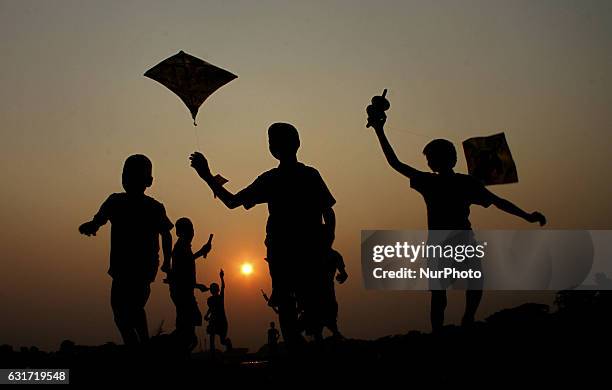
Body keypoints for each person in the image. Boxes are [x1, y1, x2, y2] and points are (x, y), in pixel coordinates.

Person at [368, 99, 547, 332]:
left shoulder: (437, 182)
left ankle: (446, 328)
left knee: (446, 291)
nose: (432, 161)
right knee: (463, 286)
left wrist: (380, 131)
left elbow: (396, 163)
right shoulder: (459, 182)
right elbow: (497, 202)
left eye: (432, 157)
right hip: (453, 240)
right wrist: (527, 216)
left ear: (435, 161)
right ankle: (463, 320)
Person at [189, 122, 336, 346]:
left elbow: (232, 202)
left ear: (273, 148)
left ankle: (300, 348)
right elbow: (329, 213)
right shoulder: (309, 175)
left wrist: (207, 176)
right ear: (297, 144)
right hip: (305, 251)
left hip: (286, 254)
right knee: (309, 304)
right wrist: (326, 242)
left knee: (290, 306)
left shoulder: (272, 179)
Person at [79, 154, 173, 345]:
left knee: (133, 308)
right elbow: (99, 220)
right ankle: (137, 345)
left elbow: (166, 234)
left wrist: (167, 262)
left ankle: (140, 345)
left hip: (142, 267)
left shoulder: (154, 207)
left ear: (149, 181)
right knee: (121, 312)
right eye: (126, 175)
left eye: (133, 175)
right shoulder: (115, 201)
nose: (128, 179)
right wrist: (91, 226)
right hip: (122, 268)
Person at [165, 217, 213, 350]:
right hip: (182, 293)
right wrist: (202, 251)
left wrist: (197, 286)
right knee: (186, 331)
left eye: (192, 230)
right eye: (189, 230)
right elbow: (182, 272)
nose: (192, 233)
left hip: (184, 292)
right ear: (180, 233)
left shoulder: (183, 247)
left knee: (187, 330)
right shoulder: (180, 248)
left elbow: (186, 266)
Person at [321, 249, 348, 338]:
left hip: (327, 288)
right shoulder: (333, 255)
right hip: (317, 289)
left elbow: (343, 273)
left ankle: (334, 332)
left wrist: (343, 275)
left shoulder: (334, 255)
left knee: (331, 309)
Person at [204, 269, 232, 353]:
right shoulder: (210, 299)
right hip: (213, 320)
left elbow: (223, 287)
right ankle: (212, 353)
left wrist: (222, 278)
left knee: (222, 341)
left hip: (221, 321)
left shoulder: (220, 297)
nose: (213, 290)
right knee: (211, 337)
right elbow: (211, 308)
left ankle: (228, 346)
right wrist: (207, 315)